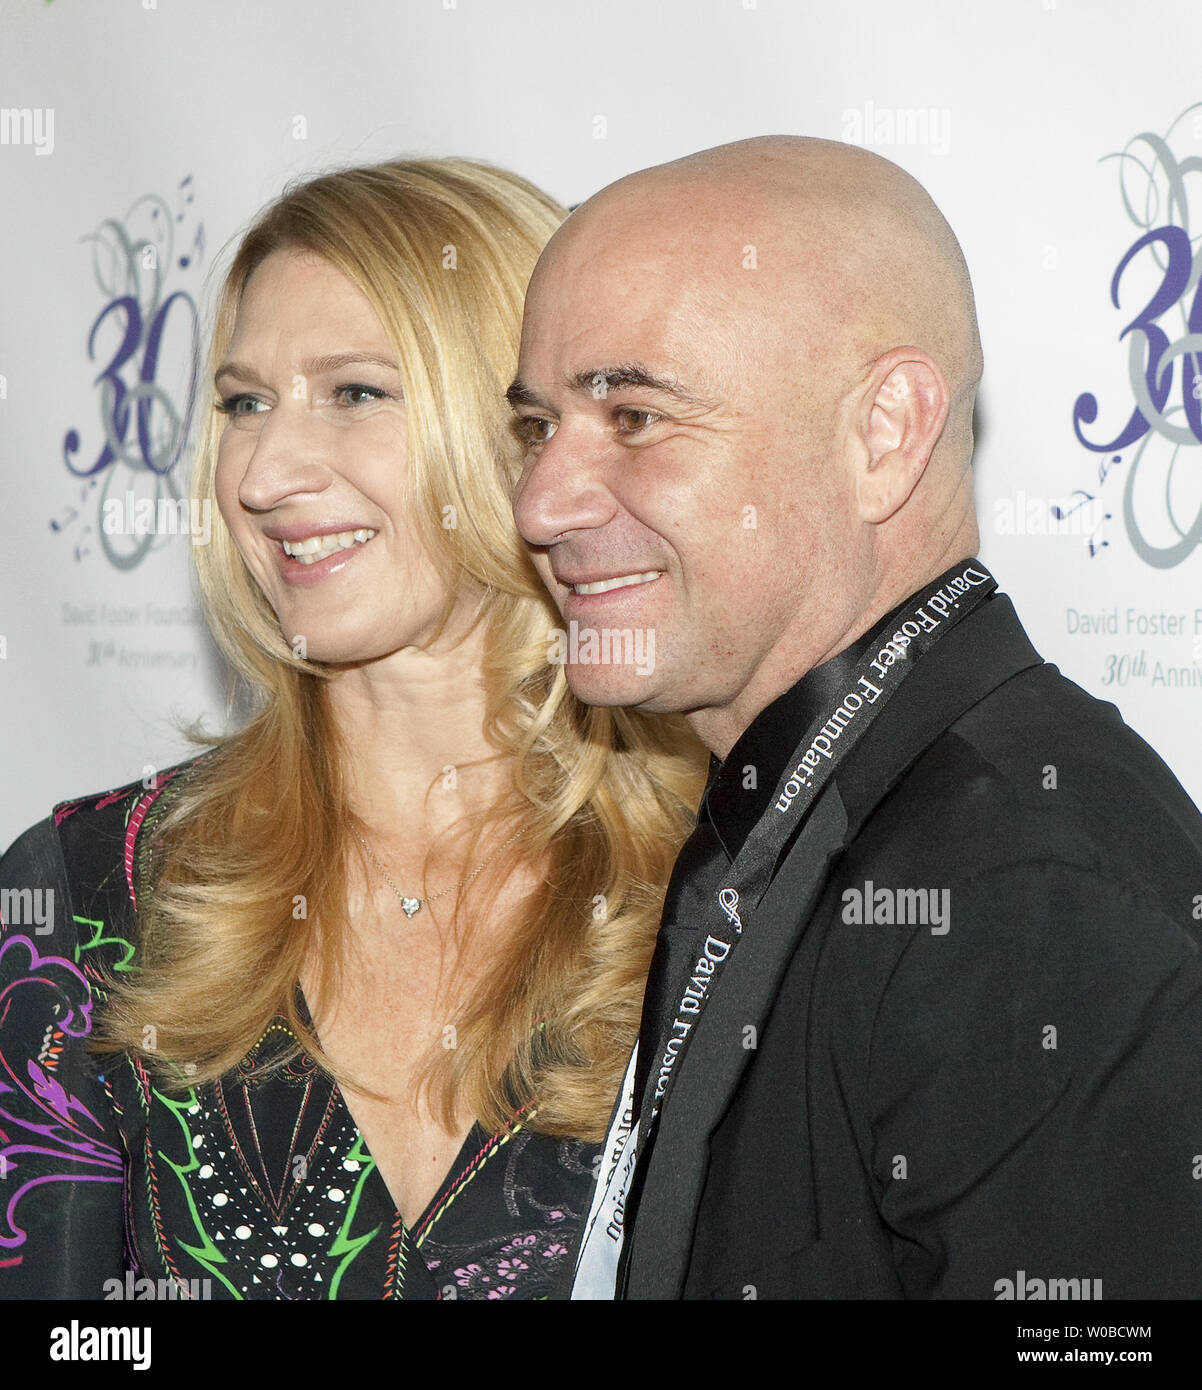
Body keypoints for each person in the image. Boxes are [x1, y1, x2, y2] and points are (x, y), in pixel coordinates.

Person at [507, 135, 1202, 1299]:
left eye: (631, 416)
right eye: (535, 427)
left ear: (882, 434)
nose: (539, 503)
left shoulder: (1024, 891)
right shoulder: (797, 807)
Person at [0, 158, 704, 1301]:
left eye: (356, 392)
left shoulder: (718, 886)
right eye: (242, 404)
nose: (267, 472)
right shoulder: (89, 896)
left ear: (530, 430)